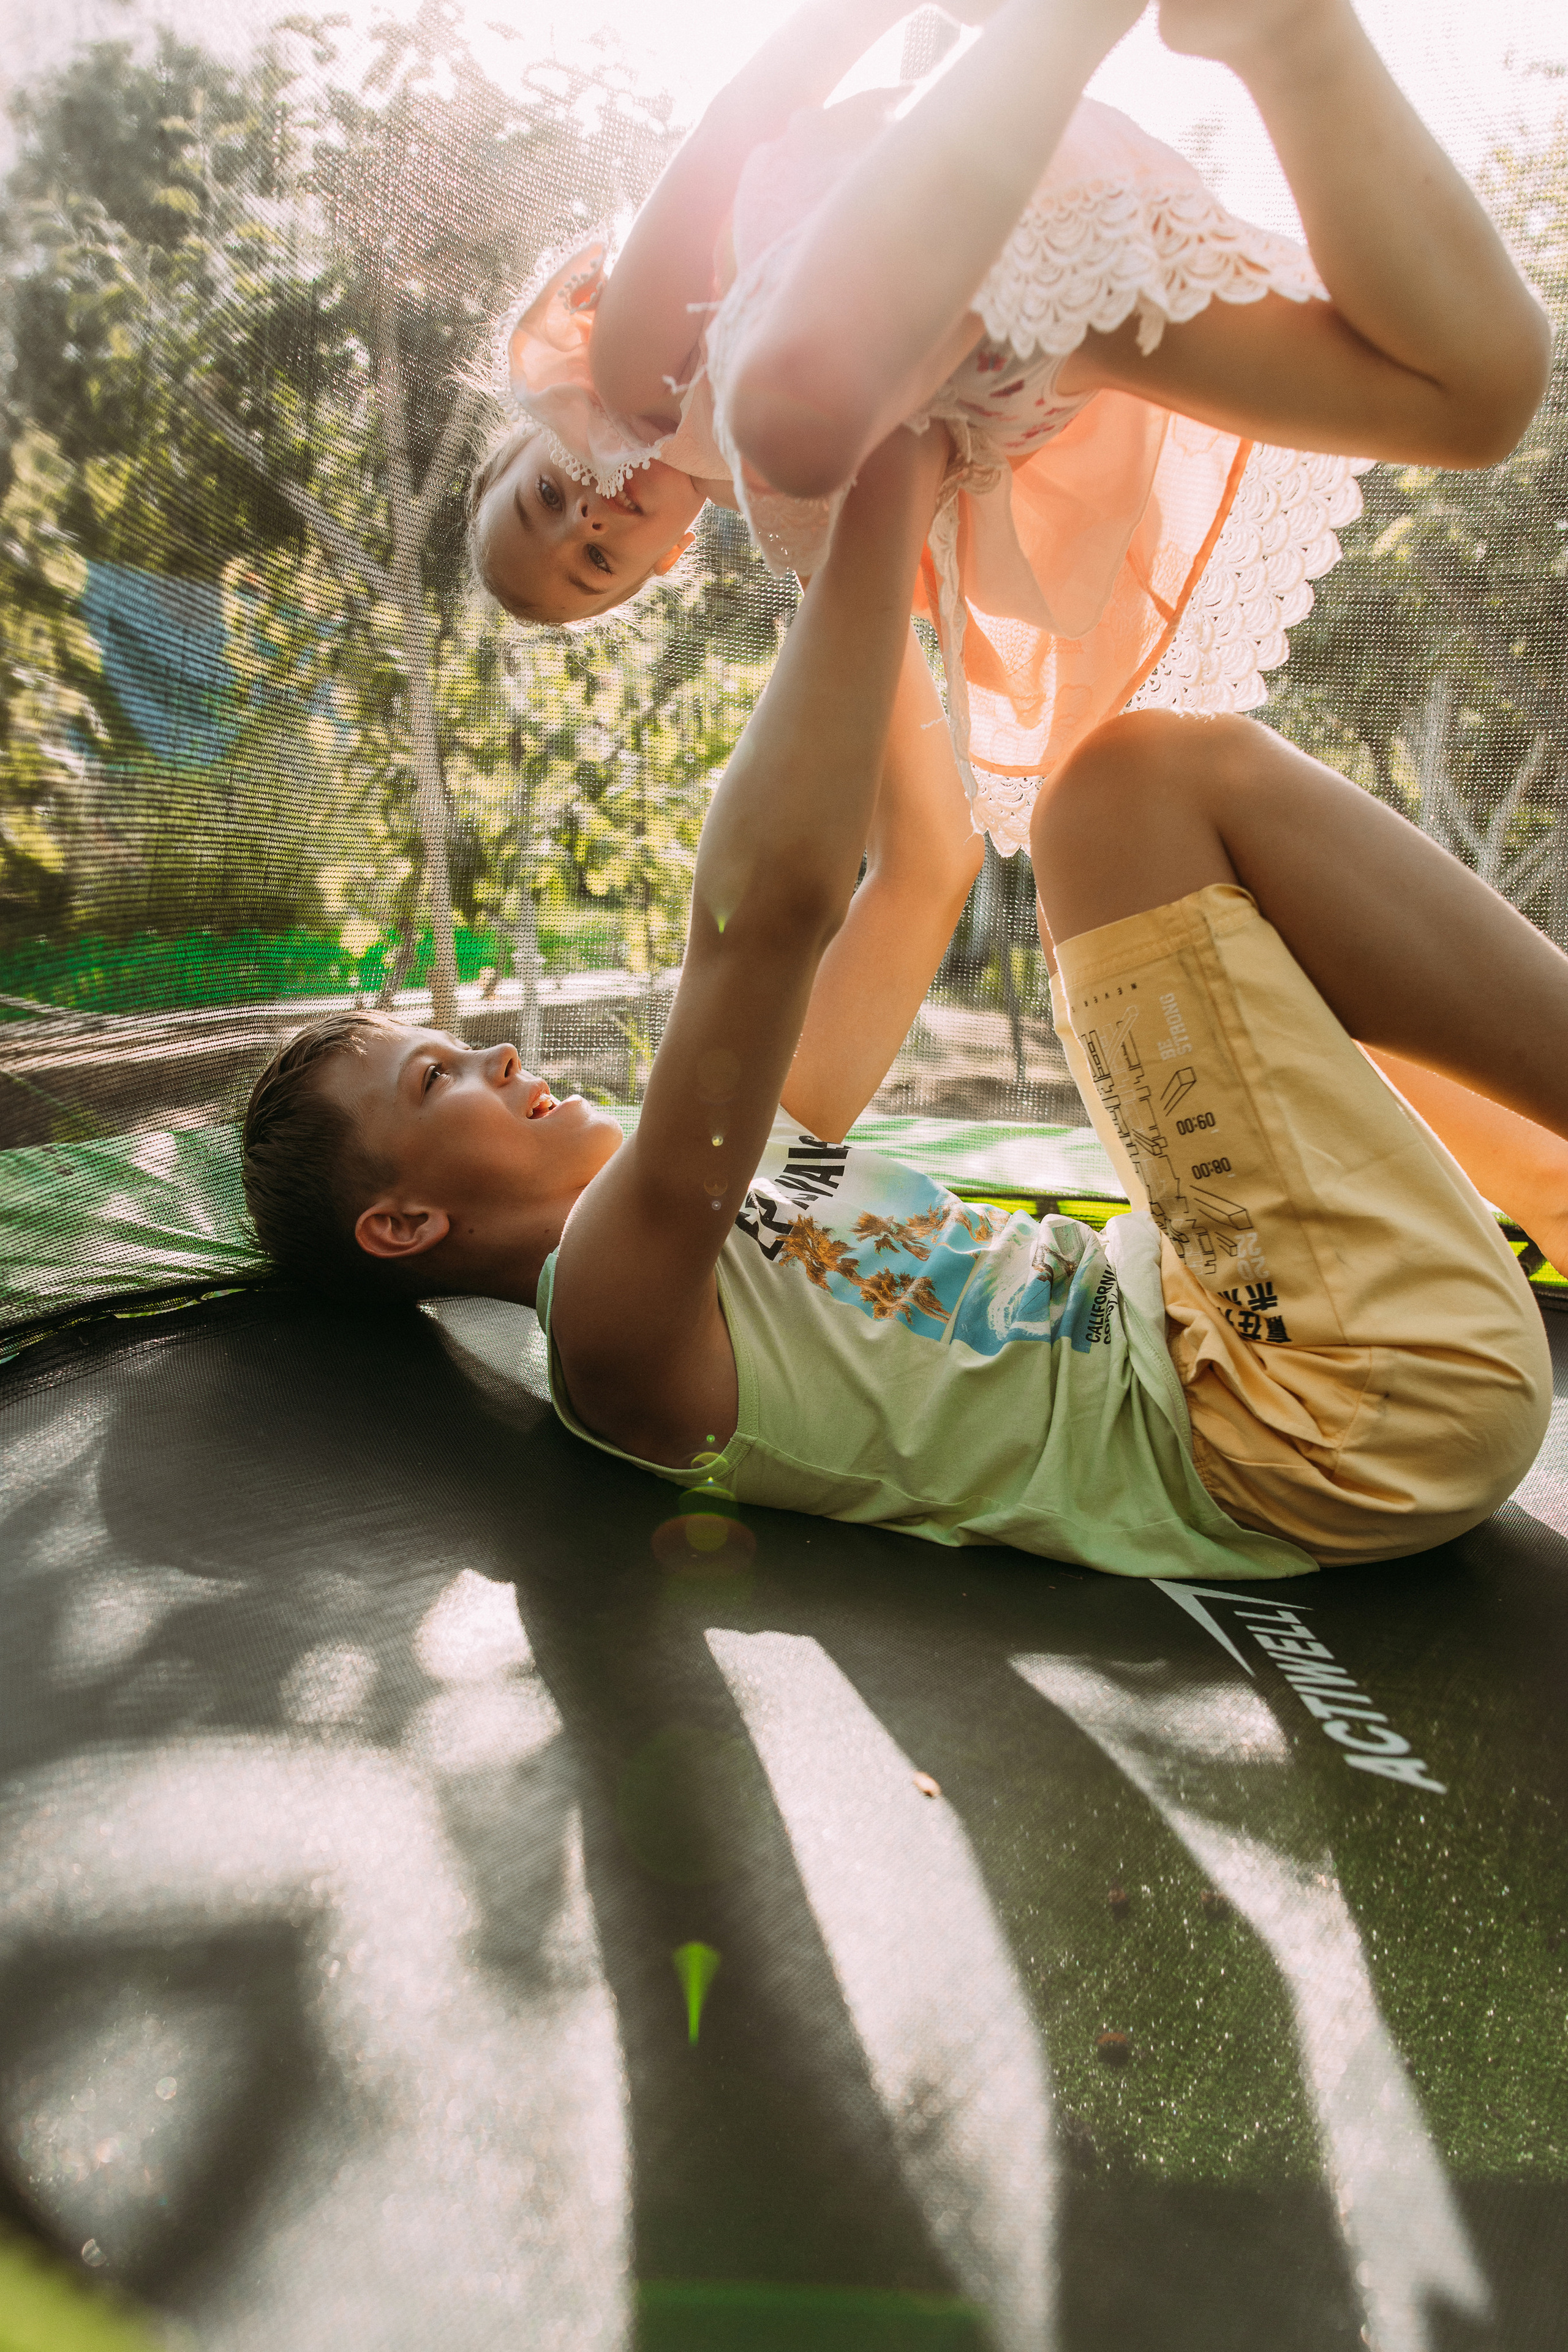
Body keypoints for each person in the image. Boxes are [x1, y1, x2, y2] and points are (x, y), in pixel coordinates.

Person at [246, 422, 1564, 1583]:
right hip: (1313, 1411)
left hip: (1239, 1316)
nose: (487, 1052)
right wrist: (882, 477)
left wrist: (824, 556)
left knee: (1145, 871)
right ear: (406, 1220)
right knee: (1119, 800)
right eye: (435, 1080)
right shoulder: (605, 1319)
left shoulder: (739, 1157)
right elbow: (758, 931)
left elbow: (920, 869)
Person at [468, 0, 1548, 850]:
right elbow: (905, 816)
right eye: (598, 558)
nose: (591, 516)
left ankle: (1061, 23)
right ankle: (1285, 32)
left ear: (535, 434)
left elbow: (738, 123)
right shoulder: (796, 524)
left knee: (777, 421)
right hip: (1054, 327)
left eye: (548, 497)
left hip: (936, 198)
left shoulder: (641, 366)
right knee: (1472, 404)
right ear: (666, 563)